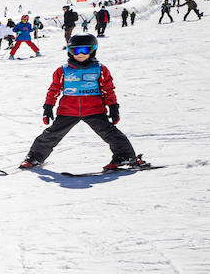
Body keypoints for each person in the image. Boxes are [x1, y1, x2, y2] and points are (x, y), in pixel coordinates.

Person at [18, 33, 147, 171]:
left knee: (111, 134)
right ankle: (34, 157)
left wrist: (113, 107)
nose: (80, 54)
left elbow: (108, 89)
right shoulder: (63, 71)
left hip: (94, 110)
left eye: (85, 50)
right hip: (68, 110)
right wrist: (48, 106)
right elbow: (54, 89)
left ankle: (125, 156)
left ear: (93, 51)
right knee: (51, 135)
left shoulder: (100, 69)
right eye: (75, 50)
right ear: (69, 51)